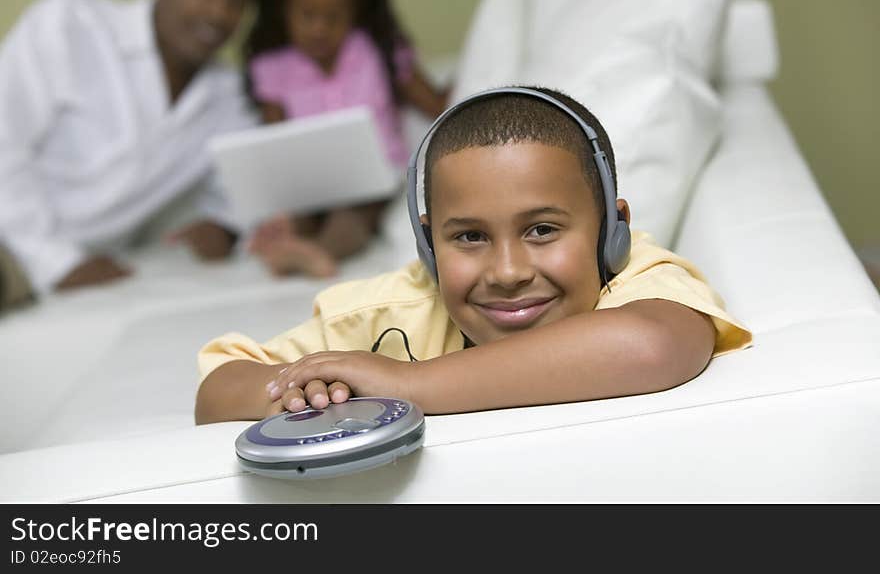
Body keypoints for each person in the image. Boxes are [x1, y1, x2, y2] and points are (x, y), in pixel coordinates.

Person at [195, 86, 752, 422]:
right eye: (468, 238)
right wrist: (303, 390)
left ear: (613, 230)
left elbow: (652, 345)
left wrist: (407, 384)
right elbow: (218, 386)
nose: (507, 272)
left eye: (541, 230)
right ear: (428, 248)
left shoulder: (636, 279)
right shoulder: (394, 308)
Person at [0, 0, 258, 311]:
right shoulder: (69, 23)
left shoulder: (230, 97)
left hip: (80, 272)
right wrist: (57, 263)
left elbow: (246, 184)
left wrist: (225, 227)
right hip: (12, 243)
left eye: (236, 2)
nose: (219, 13)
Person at [242, 0, 449, 279]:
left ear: (354, 12)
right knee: (296, 215)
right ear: (285, 11)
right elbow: (276, 143)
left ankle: (318, 253)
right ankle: (285, 241)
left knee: (351, 216)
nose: (320, 28)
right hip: (309, 183)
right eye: (307, 16)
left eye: (333, 17)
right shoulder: (272, 67)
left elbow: (437, 104)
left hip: (375, 179)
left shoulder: (378, 49)